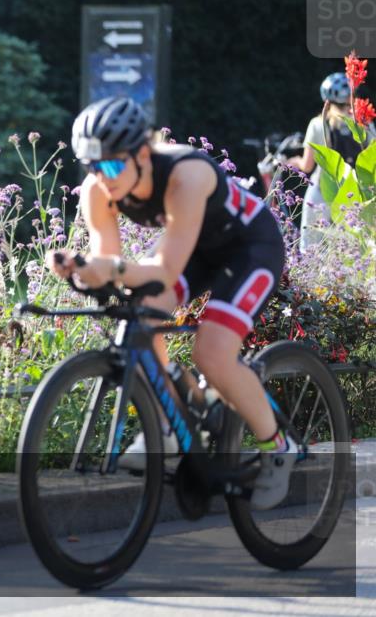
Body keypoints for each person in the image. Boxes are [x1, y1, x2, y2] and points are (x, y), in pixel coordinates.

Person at [48, 96, 294, 510]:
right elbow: (113, 261)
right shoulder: (99, 189)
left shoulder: (187, 174)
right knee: (140, 315)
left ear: (142, 153)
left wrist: (107, 267)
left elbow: (160, 270)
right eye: (91, 166)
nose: (100, 177)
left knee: (212, 353)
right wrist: (82, 268)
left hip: (249, 249)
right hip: (196, 251)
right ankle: (170, 421)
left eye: (110, 165)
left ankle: (278, 446)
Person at [296, 72, 374, 251]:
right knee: (354, 248)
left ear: (327, 101)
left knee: (311, 247)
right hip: (354, 193)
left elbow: (306, 166)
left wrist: (293, 162)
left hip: (322, 190)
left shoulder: (318, 124)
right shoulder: (363, 123)